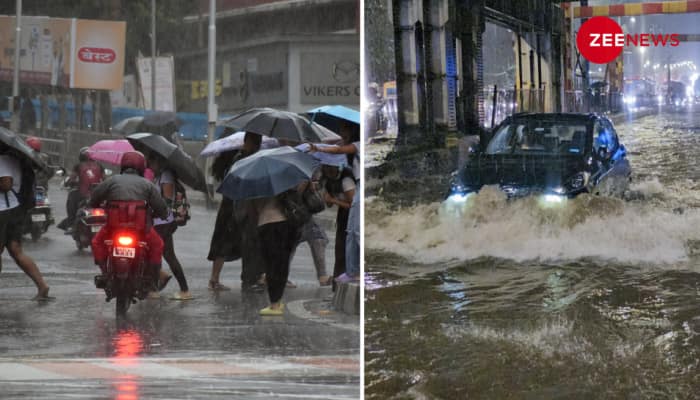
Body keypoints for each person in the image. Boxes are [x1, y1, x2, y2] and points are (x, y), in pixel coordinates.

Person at [89, 151, 168, 293]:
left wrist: (95, 204)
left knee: (96, 242)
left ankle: (105, 272)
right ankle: (152, 280)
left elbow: (94, 198)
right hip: (141, 230)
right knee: (158, 245)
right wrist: (163, 214)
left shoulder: (111, 181)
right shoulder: (147, 184)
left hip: (112, 229)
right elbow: (161, 207)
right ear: (141, 167)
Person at [208, 132, 264, 291]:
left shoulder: (236, 157)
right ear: (249, 142)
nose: (257, 147)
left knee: (226, 243)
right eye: (256, 143)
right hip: (237, 206)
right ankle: (242, 279)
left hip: (231, 205)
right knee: (240, 243)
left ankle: (216, 279)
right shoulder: (242, 160)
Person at [309, 121, 360, 283]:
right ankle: (351, 272)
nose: (342, 133)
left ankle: (354, 271)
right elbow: (337, 145)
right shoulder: (331, 180)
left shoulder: (357, 145)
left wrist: (319, 149)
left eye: (345, 130)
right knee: (351, 234)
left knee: (354, 233)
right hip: (355, 194)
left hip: (360, 186)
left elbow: (339, 149)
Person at [0, 147, 51, 300]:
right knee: (16, 250)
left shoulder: (2, 160)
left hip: (3, 210)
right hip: (14, 209)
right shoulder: (12, 159)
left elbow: (6, 184)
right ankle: (42, 285)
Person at [255, 182, 307, 316]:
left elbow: (253, 209)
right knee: (282, 263)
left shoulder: (256, 184)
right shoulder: (285, 180)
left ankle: (274, 304)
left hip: (266, 224)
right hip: (287, 223)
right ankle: (278, 299)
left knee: (271, 265)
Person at [147, 152, 192, 300]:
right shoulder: (160, 176)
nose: (150, 166)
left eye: (151, 162)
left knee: (160, 254)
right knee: (163, 254)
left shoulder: (166, 176)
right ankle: (161, 281)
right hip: (160, 222)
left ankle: (179, 289)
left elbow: (166, 199)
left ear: (158, 162)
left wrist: (154, 207)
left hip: (164, 223)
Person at [320, 163, 355, 288]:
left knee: (347, 251)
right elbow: (329, 204)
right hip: (342, 218)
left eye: (331, 167)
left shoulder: (346, 181)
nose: (328, 170)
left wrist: (334, 200)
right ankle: (337, 286)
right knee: (339, 252)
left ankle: (342, 283)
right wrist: (326, 198)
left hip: (352, 218)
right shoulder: (328, 181)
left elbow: (354, 205)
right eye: (326, 167)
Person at [57, 147, 104, 231]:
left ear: (81, 156)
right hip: (97, 195)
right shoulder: (99, 166)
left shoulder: (78, 166)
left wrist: (69, 183)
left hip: (82, 195)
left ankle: (71, 223)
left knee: (71, 198)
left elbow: (72, 178)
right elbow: (105, 179)